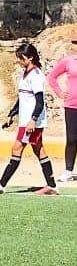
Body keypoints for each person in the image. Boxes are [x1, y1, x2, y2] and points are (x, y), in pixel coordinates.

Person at [0, 43, 58, 195]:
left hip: (32, 122)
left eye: (21, 58)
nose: (18, 61)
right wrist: (12, 114)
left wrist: (33, 119)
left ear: (30, 57)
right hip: (26, 120)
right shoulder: (26, 74)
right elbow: (22, 99)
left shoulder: (36, 76)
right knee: (39, 150)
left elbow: (40, 101)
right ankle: (51, 186)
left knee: (17, 148)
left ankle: (1, 184)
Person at [46, 35, 77, 182]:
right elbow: (51, 77)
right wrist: (59, 93)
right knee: (72, 139)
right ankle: (68, 170)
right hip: (71, 106)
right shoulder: (68, 61)